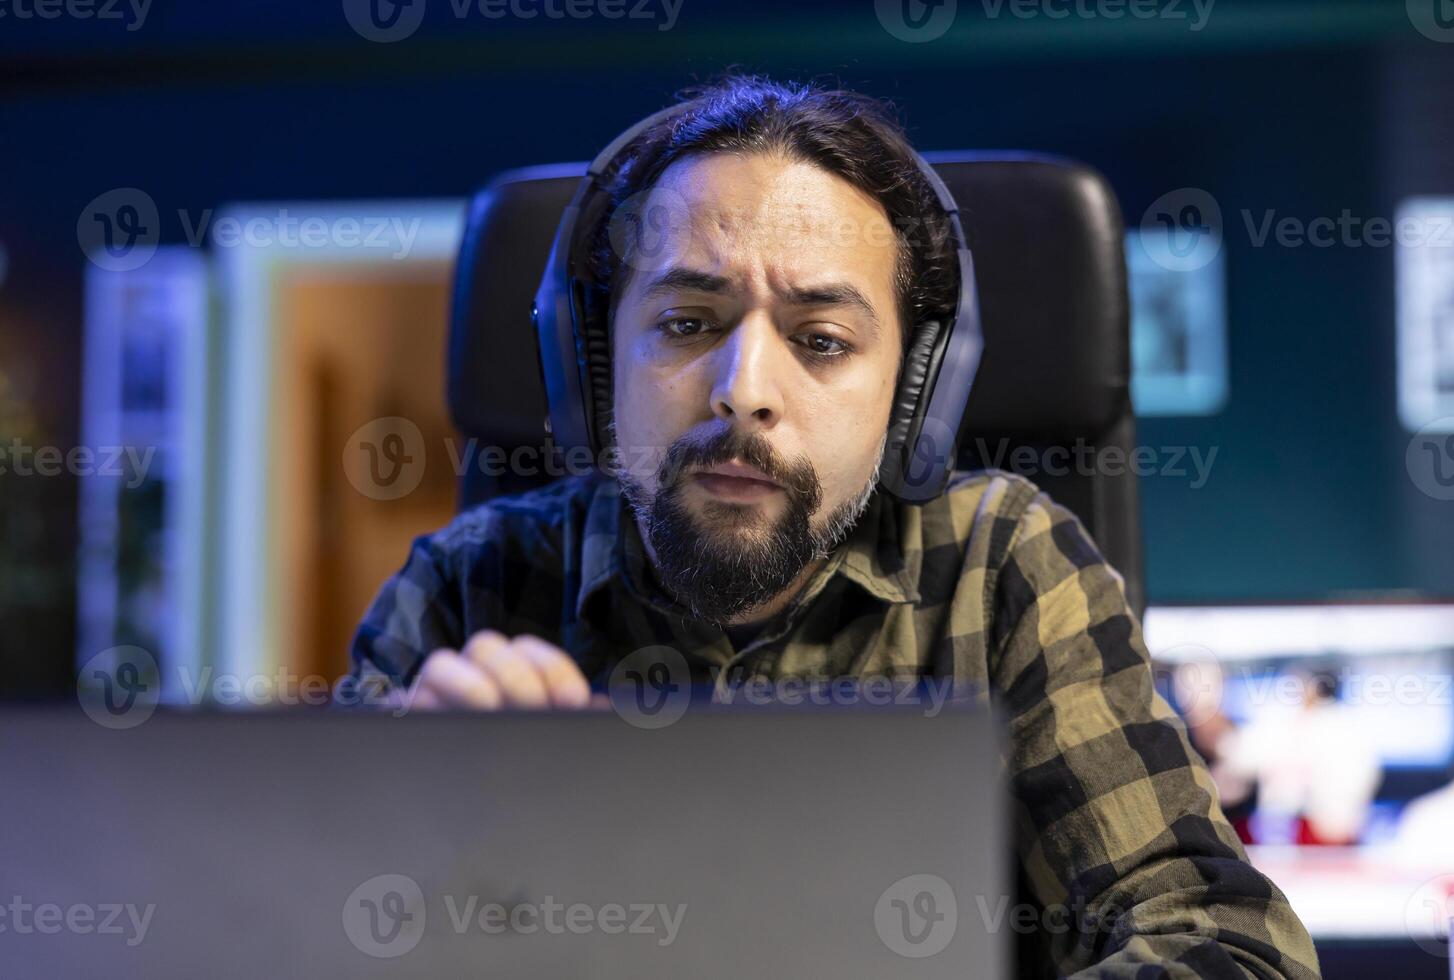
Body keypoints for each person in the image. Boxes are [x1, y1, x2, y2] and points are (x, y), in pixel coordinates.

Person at [351, 73, 1320, 978]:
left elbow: (1224, 944)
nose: (744, 393)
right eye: (687, 322)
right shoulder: (464, 589)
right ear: (590, 369)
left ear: (913, 399)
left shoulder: (1001, 566)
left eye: (821, 340)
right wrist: (415, 834)